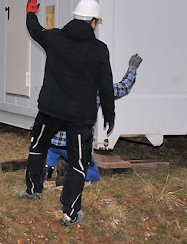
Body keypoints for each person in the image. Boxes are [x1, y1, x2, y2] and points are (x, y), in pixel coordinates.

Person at [18, 0, 115, 226]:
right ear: (93, 22)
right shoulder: (99, 50)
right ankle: (70, 213)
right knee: (77, 163)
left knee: (38, 147)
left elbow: (35, 30)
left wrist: (30, 13)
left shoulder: (55, 38)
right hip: (80, 117)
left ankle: (33, 190)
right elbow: (106, 86)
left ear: (75, 17)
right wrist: (109, 115)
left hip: (50, 110)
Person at [46, 54, 141, 184]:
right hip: (76, 144)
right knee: (93, 175)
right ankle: (70, 172)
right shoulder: (97, 87)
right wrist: (132, 68)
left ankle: (46, 170)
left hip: (53, 141)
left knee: (53, 148)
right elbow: (123, 87)